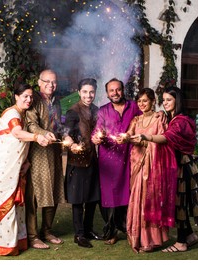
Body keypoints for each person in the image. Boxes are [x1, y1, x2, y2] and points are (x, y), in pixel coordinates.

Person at [0, 83, 49, 256]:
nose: (29, 100)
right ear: (16, 97)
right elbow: (17, 134)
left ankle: (15, 242)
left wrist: (26, 161)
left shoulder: (22, 113)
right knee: (3, 200)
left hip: (16, 165)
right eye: (25, 96)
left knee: (16, 202)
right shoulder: (12, 113)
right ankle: (0, 244)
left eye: (30, 97)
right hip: (3, 165)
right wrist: (37, 137)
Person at [116, 88, 177, 253]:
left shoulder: (160, 118)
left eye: (145, 100)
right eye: (139, 101)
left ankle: (152, 240)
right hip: (137, 164)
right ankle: (138, 237)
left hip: (153, 166)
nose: (142, 104)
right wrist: (123, 138)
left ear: (152, 102)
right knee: (138, 198)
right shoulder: (136, 120)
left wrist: (144, 141)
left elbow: (165, 140)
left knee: (150, 200)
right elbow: (128, 135)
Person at [150, 86, 198, 253]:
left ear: (177, 101)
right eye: (163, 100)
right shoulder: (171, 117)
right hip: (178, 165)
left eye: (169, 100)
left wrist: (147, 137)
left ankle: (181, 243)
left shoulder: (181, 121)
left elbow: (168, 137)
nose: (165, 103)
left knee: (179, 204)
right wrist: (160, 114)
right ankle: (190, 236)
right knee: (179, 203)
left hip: (184, 167)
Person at [25, 69, 72, 249]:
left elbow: (60, 123)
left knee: (53, 190)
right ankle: (32, 235)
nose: (50, 85)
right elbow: (31, 124)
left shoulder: (57, 101)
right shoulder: (33, 99)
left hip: (53, 152)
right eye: (46, 81)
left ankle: (47, 231)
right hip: (37, 152)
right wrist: (45, 133)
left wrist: (66, 136)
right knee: (34, 194)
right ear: (39, 82)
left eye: (53, 82)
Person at [91, 78, 141, 245]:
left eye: (118, 89)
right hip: (109, 160)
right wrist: (96, 138)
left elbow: (144, 122)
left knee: (128, 193)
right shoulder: (103, 111)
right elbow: (97, 131)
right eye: (111, 90)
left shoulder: (133, 106)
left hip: (129, 157)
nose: (115, 93)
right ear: (107, 93)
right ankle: (111, 231)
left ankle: (128, 229)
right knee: (110, 196)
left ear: (123, 89)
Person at [64, 78, 102, 248]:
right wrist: (71, 144)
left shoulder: (96, 110)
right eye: (85, 92)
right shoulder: (73, 111)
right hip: (77, 161)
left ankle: (88, 230)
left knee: (92, 198)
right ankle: (79, 235)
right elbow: (66, 132)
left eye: (92, 92)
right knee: (78, 199)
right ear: (79, 92)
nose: (89, 95)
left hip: (93, 159)